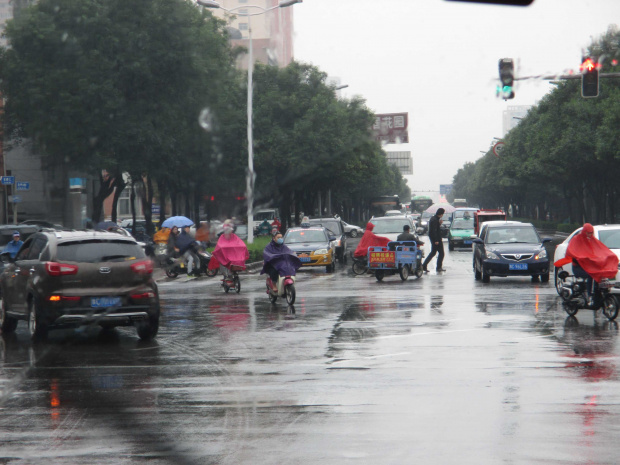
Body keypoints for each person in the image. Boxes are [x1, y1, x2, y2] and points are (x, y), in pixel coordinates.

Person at [555, 223, 619, 306]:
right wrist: (580, 257)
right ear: (584, 232)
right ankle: (590, 296)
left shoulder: (592, 240)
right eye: (588, 233)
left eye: (591, 233)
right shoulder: (576, 239)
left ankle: (598, 294)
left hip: (590, 267)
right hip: (579, 268)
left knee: (599, 274)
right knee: (591, 275)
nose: (589, 235)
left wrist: (608, 257)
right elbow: (571, 251)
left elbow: (600, 250)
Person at [422, 208, 446, 272]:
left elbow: (435, 228)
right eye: (442, 214)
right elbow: (434, 230)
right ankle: (438, 267)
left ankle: (424, 265)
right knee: (441, 253)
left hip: (434, 238)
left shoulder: (434, 219)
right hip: (436, 239)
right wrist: (436, 240)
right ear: (441, 214)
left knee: (433, 252)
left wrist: (439, 223)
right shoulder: (435, 220)